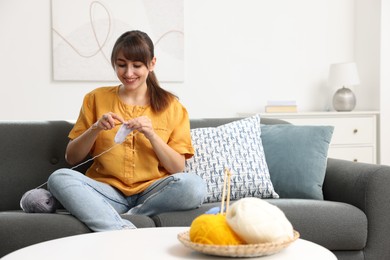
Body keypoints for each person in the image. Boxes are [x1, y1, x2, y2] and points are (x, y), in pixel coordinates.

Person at [48, 30, 206, 231]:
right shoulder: (95, 98)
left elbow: (178, 168)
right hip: (106, 192)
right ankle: (122, 231)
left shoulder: (173, 107)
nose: (128, 73)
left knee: (194, 186)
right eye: (121, 65)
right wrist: (95, 128)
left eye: (137, 65)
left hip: (153, 194)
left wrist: (151, 135)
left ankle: (128, 216)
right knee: (59, 178)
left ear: (152, 64)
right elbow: (72, 157)